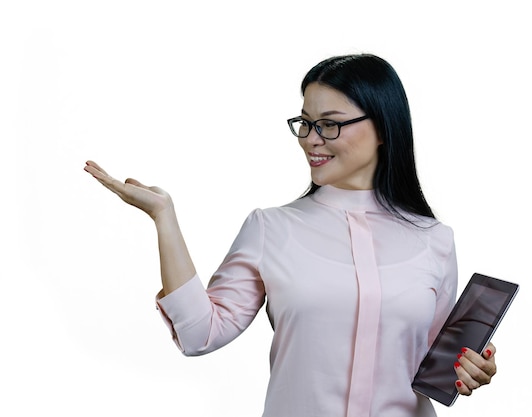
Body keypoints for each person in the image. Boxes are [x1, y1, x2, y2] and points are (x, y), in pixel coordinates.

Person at [84, 53, 497, 417]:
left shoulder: (434, 240)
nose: (310, 140)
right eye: (305, 123)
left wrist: (471, 368)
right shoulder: (271, 229)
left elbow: (436, 366)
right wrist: (164, 217)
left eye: (330, 126)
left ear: (384, 128)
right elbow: (198, 334)